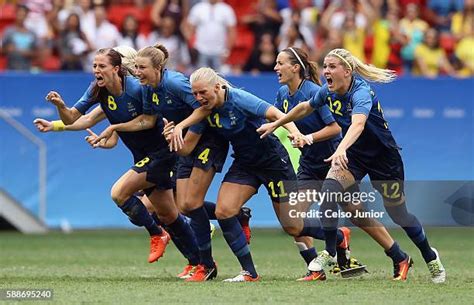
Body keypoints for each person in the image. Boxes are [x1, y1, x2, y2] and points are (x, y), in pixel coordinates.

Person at [258, 48, 446, 283]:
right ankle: (329, 252)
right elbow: (305, 107)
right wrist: (277, 124)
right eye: (325, 66)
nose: (326, 71)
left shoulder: (361, 93)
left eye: (332, 67)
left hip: (383, 159)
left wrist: (339, 148)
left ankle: (430, 256)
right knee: (329, 189)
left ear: (347, 71)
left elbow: (357, 125)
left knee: (399, 214)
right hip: (354, 156)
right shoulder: (326, 91)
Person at [164, 67, 352, 282]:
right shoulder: (204, 109)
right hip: (245, 164)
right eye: (195, 94)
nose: (198, 98)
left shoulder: (239, 99)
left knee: (293, 226)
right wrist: (175, 133)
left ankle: (338, 236)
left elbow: (276, 113)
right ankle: (249, 272)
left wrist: (296, 133)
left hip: (273, 162)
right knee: (224, 211)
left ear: (217, 87)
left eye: (202, 93)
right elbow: (187, 146)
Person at [90, 44, 251, 282]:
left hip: (205, 141)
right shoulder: (146, 89)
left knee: (186, 205)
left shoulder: (175, 83)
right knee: (182, 206)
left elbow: (204, 107)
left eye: (141, 67)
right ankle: (228, 227)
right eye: (135, 67)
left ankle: (206, 264)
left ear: (158, 68)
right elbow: (145, 120)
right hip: (178, 143)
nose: (137, 72)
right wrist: (112, 128)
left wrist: (184, 131)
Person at [34, 47, 200, 270]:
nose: (96, 70)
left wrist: (114, 128)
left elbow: (149, 121)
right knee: (169, 213)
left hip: (162, 152)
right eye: (94, 66)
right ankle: (200, 263)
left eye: (101, 66)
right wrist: (61, 108)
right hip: (143, 156)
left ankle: (157, 234)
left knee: (119, 193)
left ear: (117, 68)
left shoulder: (136, 89)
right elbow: (75, 118)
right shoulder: (98, 90)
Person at [273, 47, 364, 281]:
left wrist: (308, 137)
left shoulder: (315, 92)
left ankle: (398, 255)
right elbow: (283, 118)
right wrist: (291, 132)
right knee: (292, 220)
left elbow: (335, 128)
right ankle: (323, 262)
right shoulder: (283, 93)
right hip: (310, 163)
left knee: (358, 214)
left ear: (295, 67)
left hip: (333, 158)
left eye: (280, 63)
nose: (275, 68)